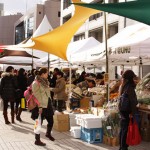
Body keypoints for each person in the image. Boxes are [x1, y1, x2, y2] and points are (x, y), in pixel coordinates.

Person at [31, 68, 54, 146]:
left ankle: (48, 134)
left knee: (51, 121)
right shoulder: (36, 83)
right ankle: (37, 140)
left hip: (48, 104)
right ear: (43, 74)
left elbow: (46, 93)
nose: (48, 75)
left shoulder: (45, 82)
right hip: (40, 106)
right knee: (38, 123)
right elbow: (37, 96)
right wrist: (40, 106)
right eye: (47, 73)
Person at [118, 70, 138, 150]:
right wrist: (132, 112)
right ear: (131, 78)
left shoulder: (123, 85)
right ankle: (124, 147)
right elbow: (132, 101)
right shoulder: (130, 87)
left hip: (122, 109)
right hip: (127, 110)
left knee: (123, 128)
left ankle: (121, 146)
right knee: (125, 129)